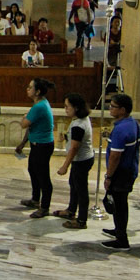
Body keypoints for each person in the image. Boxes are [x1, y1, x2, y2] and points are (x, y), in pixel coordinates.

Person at [102, 93, 140, 251]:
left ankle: (121, 239)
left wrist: (108, 176)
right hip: (129, 170)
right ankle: (118, 230)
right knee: (120, 204)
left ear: (123, 110)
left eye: (113, 106)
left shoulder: (121, 129)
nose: (109, 108)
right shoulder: (133, 123)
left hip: (121, 174)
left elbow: (115, 156)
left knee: (119, 205)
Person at [16, 79, 56, 218]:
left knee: (43, 176)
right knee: (33, 171)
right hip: (36, 144)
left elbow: (24, 124)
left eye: (30, 87)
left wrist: (24, 118)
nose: (27, 89)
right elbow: (31, 127)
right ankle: (35, 199)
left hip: (42, 146)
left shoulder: (39, 107)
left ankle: (44, 207)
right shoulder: (39, 104)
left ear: (37, 91)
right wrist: (22, 143)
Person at [54, 93, 95, 229]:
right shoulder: (80, 119)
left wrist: (65, 166)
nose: (65, 109)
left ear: (76, 108)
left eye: (67, 107)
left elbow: (75, 147)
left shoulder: (78, 125)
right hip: (83, 159)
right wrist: (66, 136)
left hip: (81, 161)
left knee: (81, 190)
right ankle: (71, 210)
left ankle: (81, 220)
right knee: (74, 185)